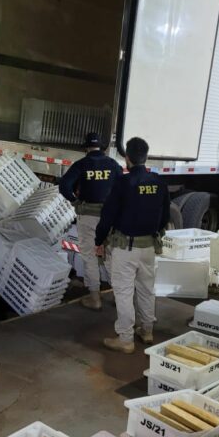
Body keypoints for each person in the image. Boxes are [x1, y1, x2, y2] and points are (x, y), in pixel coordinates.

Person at [94, 137, 170, 353]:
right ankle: (146, 330)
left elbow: (107, 217)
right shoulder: (159, 182)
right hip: (149, 248)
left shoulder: (123, 183)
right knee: (146, 290)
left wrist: (99, 241)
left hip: (125, 249)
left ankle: (126, 339)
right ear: (146, 157)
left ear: (127, 158)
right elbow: (165, 217)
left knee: (124, 292)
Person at [59, 132, 122, 310]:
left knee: (90, 256)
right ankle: (120, 297)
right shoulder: (112, 164)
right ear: (102, 147)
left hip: (88, 216)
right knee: (110, 256)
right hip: (109, 218)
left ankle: (95, 298)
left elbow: (64, 186)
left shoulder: (81, 164)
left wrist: (75, 202)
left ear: (86, 147)